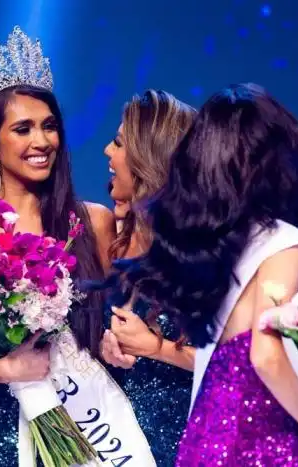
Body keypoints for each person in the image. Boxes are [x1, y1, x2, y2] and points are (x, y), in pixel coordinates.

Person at [114, 83, 298, 465]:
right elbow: (267, 357)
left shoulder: (219, 248)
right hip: (264, 446)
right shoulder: (284, 242)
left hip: (205, 440)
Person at [0, 26, 115, 466]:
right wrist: (4, 370)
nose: (42, 141)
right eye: (23, 128)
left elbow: (104, 330)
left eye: (50, 126)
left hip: (85, 424)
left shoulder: (91, 222)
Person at [99, 89, 196, 466]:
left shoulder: (202, 250)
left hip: (181, 442)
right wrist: (110, 347)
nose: (108, 150)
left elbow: (239, 357)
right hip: (110, 441)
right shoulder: (111, 240)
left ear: (148, 155)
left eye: (120, 142)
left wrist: (157, 349)